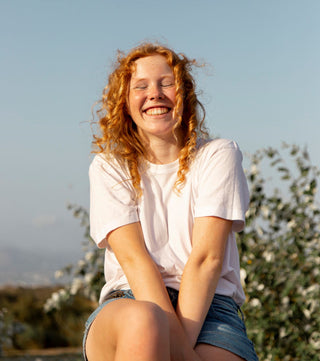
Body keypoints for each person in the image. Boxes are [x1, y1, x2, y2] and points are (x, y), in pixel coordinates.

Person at [83, 42, 259, 361]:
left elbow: (206, 260)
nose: (155, 93)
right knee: (145, 320)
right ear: (124, 103)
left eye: (167, 83)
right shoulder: (109, 167)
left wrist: (177, 348)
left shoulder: (218, 155)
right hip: (131, 301)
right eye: (141, 86)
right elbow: (136, 263)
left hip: (212, 311)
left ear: (185, 94)